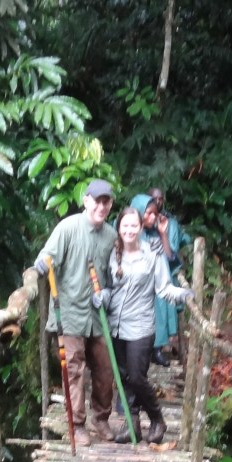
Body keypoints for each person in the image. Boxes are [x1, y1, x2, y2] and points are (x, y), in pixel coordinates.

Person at [95, 206, 190, 444]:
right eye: (124, 225)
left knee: (137, 377)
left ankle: (158, 419)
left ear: (140, 228)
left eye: (133, 225)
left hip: (141, 326)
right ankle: (132, 425)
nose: (129, 230)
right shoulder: (112, 254)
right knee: (125, 378)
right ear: (119, 228)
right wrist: (102, 298)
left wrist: (185, 294)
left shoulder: (152, 253)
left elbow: (164, 288)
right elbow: (108, 289)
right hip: (116, 324)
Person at [33, 179, 117, 443]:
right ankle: (77, 424)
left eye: (107, 202)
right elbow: (47, 257)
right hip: (69, 312)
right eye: (97, 201)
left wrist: (109, 293)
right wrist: (41, 266)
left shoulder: (112, 236)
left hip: (98, 314)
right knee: (74, 368)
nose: (102, 207)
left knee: (105, 367)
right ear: (86, 201)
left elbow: (116, 274)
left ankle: (101, 418)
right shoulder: (68, 227)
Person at [130, 188, 188, 365]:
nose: (154, 218)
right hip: (135, 286)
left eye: (155, 214)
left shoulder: (156, 232)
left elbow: (169, 258)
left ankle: (157, 350)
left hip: (155, 282)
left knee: (161, 302)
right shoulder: (130, 231)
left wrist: (163, 234)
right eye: (149, 214)